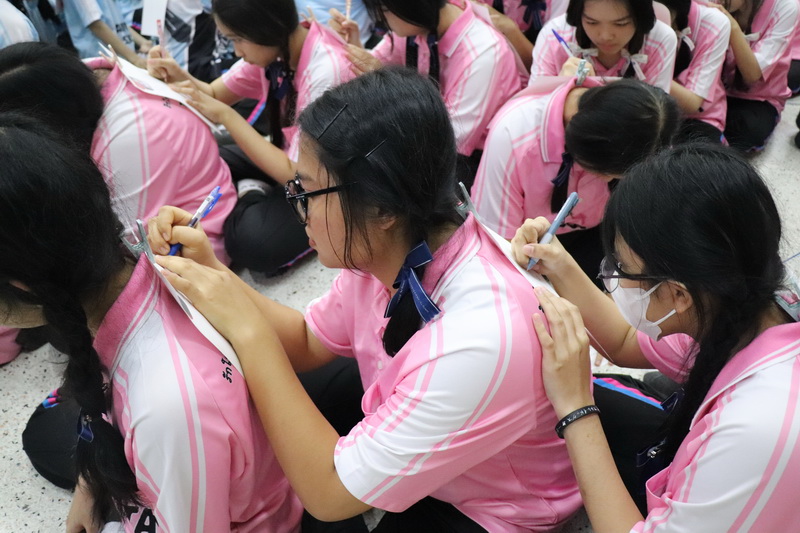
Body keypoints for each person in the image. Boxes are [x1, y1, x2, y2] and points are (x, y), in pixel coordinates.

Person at [148, 67, 582, 531]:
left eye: (307, 191)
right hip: (445, 452)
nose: (300, 210)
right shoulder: (388, 246)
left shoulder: (476, 337)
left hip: (493, 504)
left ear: (382, 207)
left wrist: (248, 331)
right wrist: (213, 272)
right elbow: (309, 340)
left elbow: (329, 494)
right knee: (274, 400)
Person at [0, 113, 301, 532]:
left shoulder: (166, 408)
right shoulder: (136, 265)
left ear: (22, 285)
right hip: (191, 467)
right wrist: (92, 483)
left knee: (44, 437)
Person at [510, 142, 800, 531]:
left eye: (621, 267)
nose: (613, 276)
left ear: (678, 295)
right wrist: (559, 265)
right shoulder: (737, 295)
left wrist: (575, 408)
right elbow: (624, 341)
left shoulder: (754, 429)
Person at [148, 0, 354, 274]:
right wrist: (175, 73)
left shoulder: (326, 70)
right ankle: (250, 192)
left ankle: (248, 191)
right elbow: (213, 93)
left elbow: (299, 175)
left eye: (237, 39)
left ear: (265, 28)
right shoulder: (277, 51)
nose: (236, 51)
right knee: (210, 156)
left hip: (331, 185)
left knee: (252, 242)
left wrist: (226, 116)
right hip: (291, 162)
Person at [471, 76, 679, 281]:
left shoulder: (649, 132)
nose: (607, 181)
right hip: (529, 244)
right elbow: (499, 242)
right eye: (604, 174)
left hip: (598, 232)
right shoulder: (513, 138)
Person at [332, 0, 524, 185]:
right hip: (424, 142)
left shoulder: (483, 55)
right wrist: (355, 48)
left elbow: (448, 141)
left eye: (384, 8)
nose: (380, 18)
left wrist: (385, 79)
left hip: (468, 165)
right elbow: (374, 67)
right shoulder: (414, 26)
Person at [531, 0, 677, 93]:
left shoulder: (659, 39)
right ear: (578, 15)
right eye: (592, 22)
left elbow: (658, 111)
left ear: (640, 17)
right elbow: (531, 106)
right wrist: (560, 88)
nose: (605, 36)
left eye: (621, 24)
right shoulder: (555, 35)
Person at [711, 0, 799, 151]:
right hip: (712, 88)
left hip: (758, 97)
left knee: (747, 130)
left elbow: (752, 74)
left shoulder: (785, 5)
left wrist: (732, 27)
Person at [659, 0, 731, 143]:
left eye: (621, 24)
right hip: (644, 110)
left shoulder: (712, 22)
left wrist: (650, 73)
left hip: (694, 118)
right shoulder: (628, 14)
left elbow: (692, 103)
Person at [61, 0, 151, 65]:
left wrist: (143, 42)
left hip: (123, 56)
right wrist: (135, 59)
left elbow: (116, 23)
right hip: (104, 58)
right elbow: (96, 25)